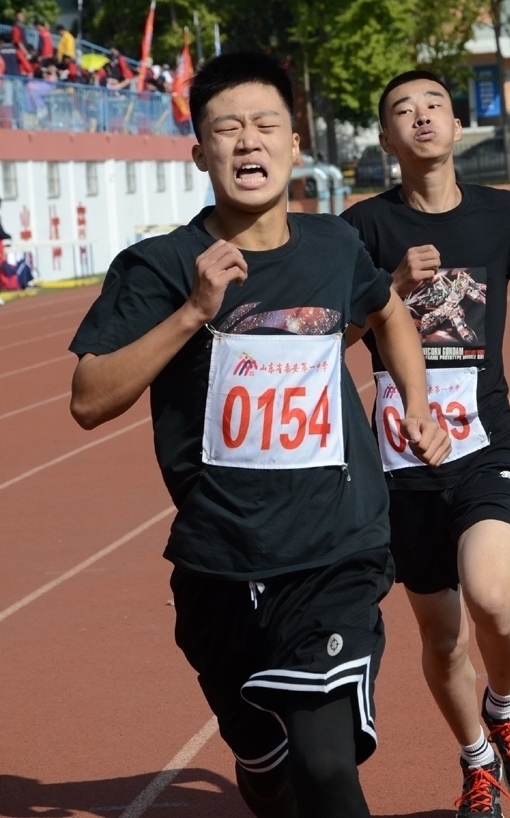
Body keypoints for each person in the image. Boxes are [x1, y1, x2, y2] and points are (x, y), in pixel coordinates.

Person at [69, 52, 449, 818]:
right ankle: (259, 757)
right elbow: (88, 398)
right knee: (270, 773)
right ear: (200, 152)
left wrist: (417, 400)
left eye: (266, 124)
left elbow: (387, 312)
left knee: (326, 765)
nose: (249, 141)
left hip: (335, 550)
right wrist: (192, 313)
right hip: (218, 565)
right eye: (228, 128)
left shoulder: (333, 246)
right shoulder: (158, 266)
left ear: (294, 142)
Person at [342, 70, 510, 818]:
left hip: (485, 442)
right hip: (402, 460)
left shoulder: (503, 213)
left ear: (457, 124)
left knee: (491, 596)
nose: (421, 116)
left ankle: (506, 706)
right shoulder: (363, 227)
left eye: (434, 104)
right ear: (386, 138)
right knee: (441, 640)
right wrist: (392, 290)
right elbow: (332, 340)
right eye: (403, 110)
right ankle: (475, 759)